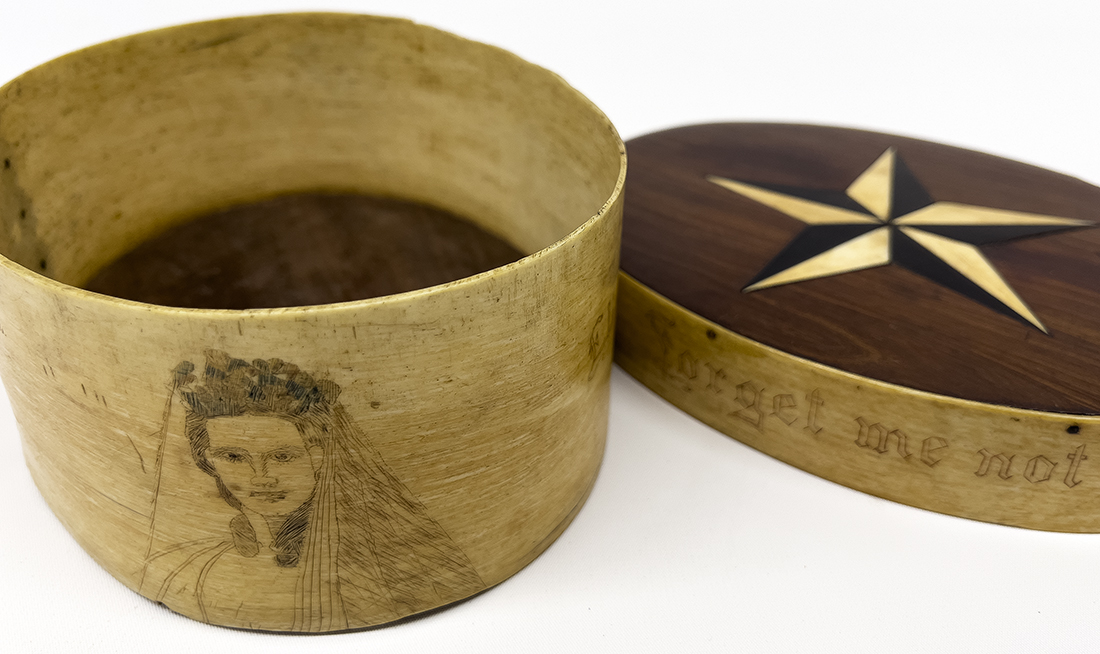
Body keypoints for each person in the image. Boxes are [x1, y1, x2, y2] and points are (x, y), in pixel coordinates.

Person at [140, 350, 483, 631]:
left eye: (282, 456)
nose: (261, 478)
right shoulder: (191, 564)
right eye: (233, 457)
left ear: (318, 456)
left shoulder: (388, 560)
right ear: (207, 459)